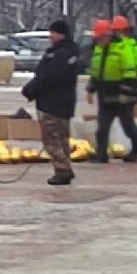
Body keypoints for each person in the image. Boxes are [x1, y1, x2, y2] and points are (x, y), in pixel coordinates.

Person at [19, 17, 83, 185]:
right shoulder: (70, 52)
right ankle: (65, 168)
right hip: (64, 103)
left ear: (62, 34)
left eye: (54, 33)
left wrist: (31, 88)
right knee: (62, 139)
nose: (51, 36)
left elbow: (49, 77)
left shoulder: (60, 54)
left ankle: (62, 170)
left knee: (52, 139)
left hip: (52, 103)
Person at [87, 14, 137, 162]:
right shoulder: (98, 50)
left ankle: (136, 150)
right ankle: (101, 154)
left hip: (121, 94)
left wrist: (128, 94)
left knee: (127, 124)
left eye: (101, 37)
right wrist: (91, 89)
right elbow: (96, 71)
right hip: (105, 94)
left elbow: (131, 72)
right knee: (102, 127)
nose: (98, 40)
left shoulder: (124, 48)